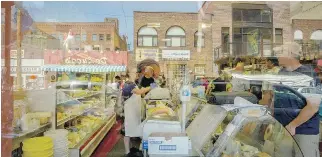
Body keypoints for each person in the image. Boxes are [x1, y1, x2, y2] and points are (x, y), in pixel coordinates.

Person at [273, 42, 320, 157]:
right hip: (282, 129)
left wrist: (293, 125)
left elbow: (313, 107)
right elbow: (277, 99)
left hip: (303, 132)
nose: (277, 55)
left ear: (290, 54)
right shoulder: (281, 72)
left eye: (280, 52)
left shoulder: (307, 74)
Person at [123, 59, 160, 157]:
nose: (138, 75)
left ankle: (131, 149)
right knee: (127, 131)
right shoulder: (128, 84)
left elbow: (142, 90)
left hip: (133, 110)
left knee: (130, 130)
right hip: (129, 111)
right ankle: (127, 152)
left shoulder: (134, 83)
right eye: (136, 73)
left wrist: (151, 86)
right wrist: (152, 86)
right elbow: (139, 92)